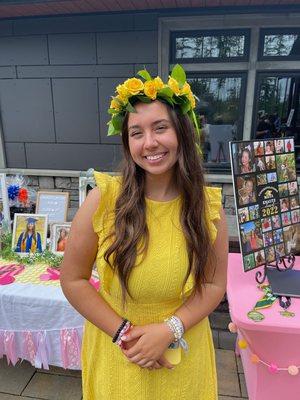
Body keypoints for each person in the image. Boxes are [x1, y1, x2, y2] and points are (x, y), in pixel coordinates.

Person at [60, 65, 228, 400]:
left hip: (183, 351)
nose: (149, 143)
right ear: (127, 142)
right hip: (120, 354)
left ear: (182, 132)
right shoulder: (103, 200)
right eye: (136, 133)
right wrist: (126, 335)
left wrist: (170, 329)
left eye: (160, 128)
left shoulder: (207, 206)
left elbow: (212, 284)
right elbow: (73, 279)